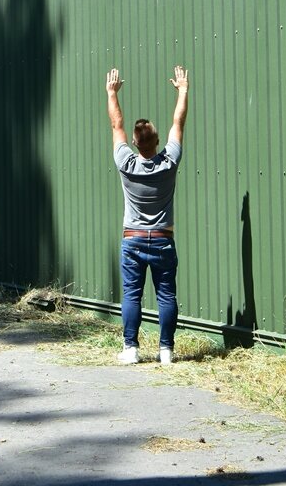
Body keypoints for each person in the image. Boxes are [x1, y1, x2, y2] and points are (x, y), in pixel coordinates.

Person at [105, 65, 190, 365]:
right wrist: (182, 90)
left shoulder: (126, 163)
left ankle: (131, 349)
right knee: (166, 296)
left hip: (133, 240)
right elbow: (178, 122)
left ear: (136, 144)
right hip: (164, 241)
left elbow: (117, 126)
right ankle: (166, 351)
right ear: (156, 142)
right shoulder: (169, 162)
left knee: (132, 295)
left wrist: (111, 93)